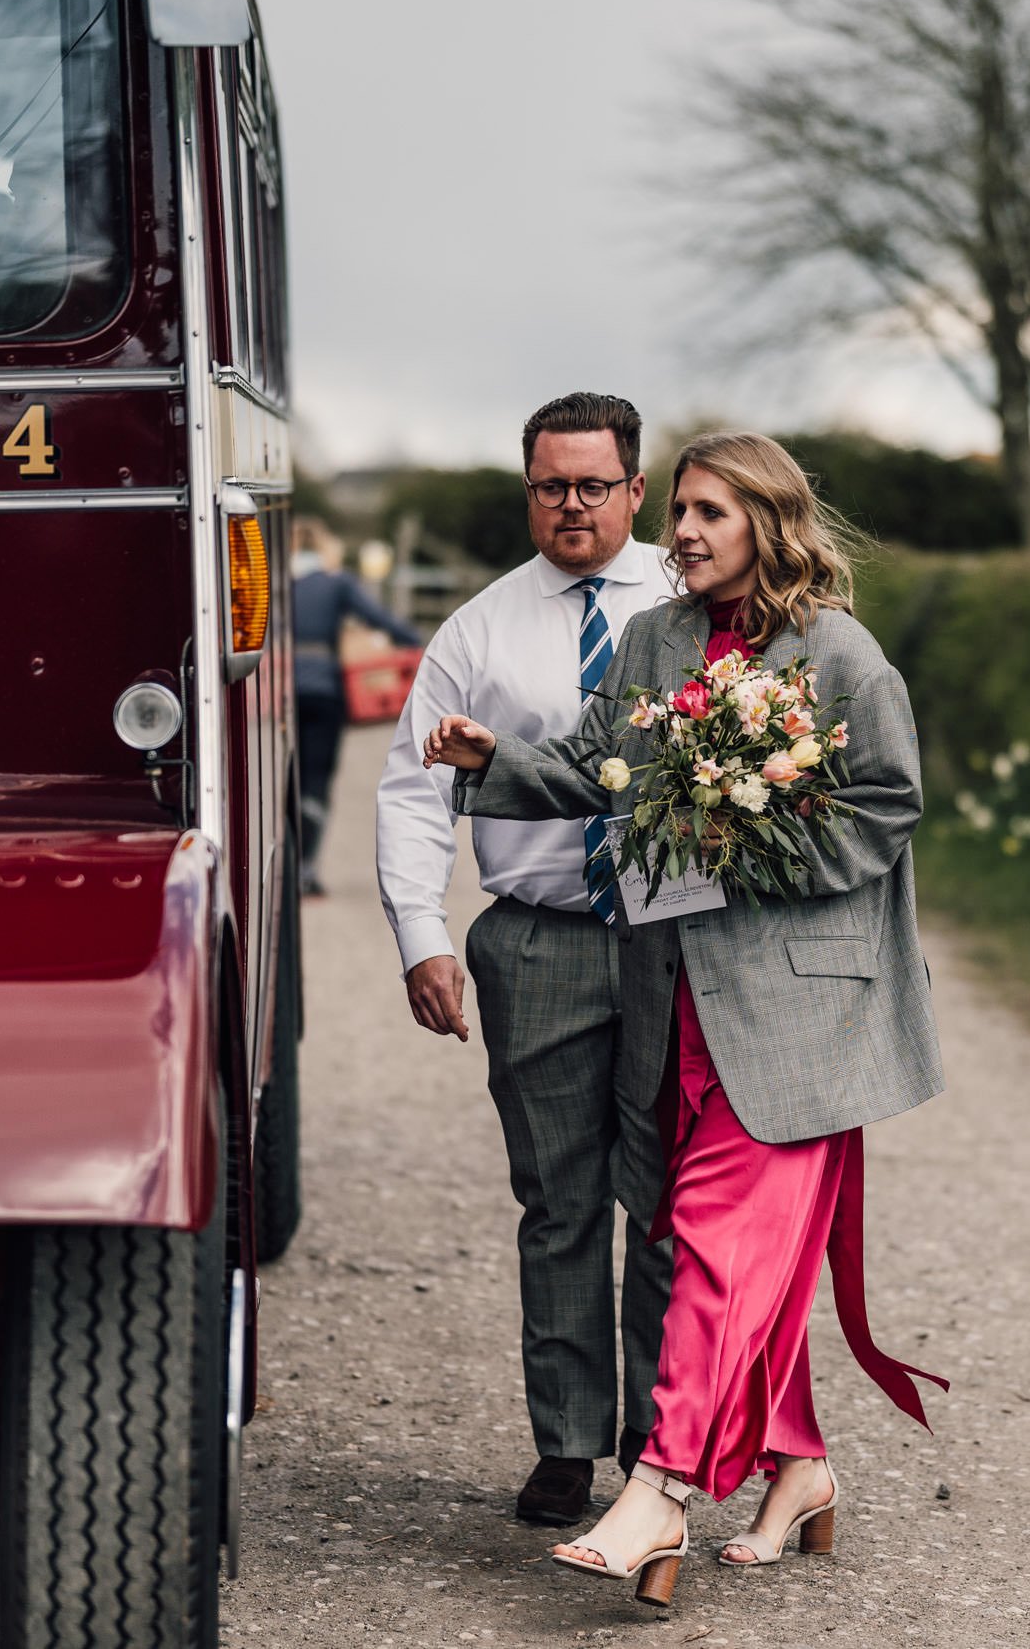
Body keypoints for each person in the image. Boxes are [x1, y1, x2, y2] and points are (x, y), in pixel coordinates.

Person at [422, 430, 948, 1607]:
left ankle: (658, 1488)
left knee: (713, 1243)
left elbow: (886, 806)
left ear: (767, 521)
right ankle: (800, 1467)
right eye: (687, 510)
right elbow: (605, 764)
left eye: (711, 512)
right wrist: (491, 760)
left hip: (800, 1009)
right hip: (678, 1002)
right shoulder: (660, 638)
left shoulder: (843, 656)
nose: (688, 531)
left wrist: (754, 844)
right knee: (716, 1232)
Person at [375, 393, 678, 1525]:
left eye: (593, 485)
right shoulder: (480, 631)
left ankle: (660, 1437)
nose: (571, 506)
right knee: (557, 1204)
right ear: (528, 489)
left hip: (667, 940)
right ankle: (563, 1442)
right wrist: (423, 936)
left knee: (662, 1200)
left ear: (633, 490)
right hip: (538, 940)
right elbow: (413, 790)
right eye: (550, 485)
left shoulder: (688, 604)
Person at [294, 519, 420, 896]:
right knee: (316, 779)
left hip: (279, 693)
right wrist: (415, 642)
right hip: (324, 691)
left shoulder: (272, 583)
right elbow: (380, 619)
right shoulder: (336, 584)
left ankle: (286, 862)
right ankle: (306, 869)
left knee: (285, 780)